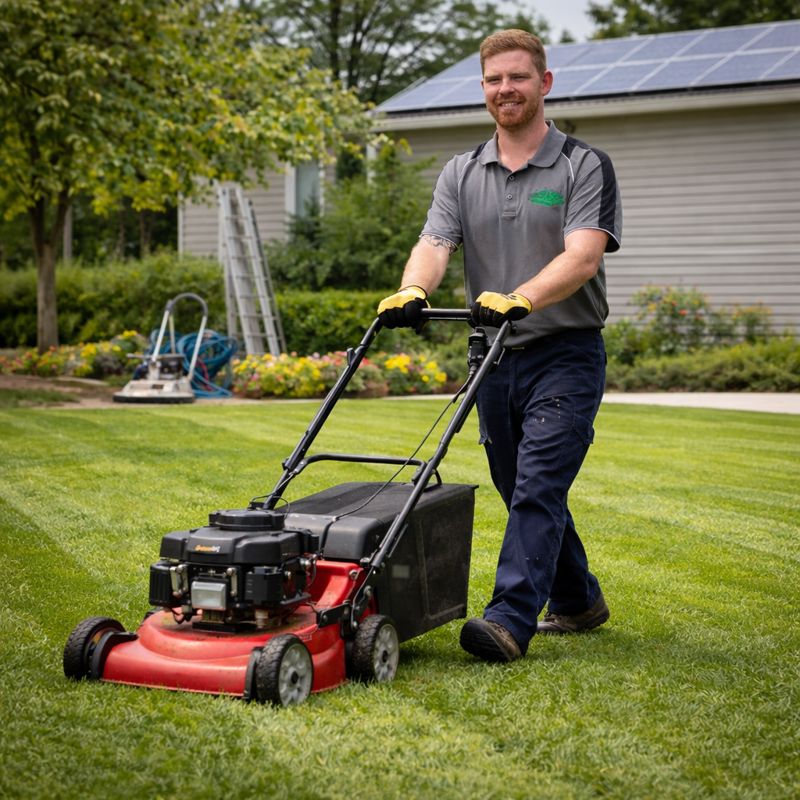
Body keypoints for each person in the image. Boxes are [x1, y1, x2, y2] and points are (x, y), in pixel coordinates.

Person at [377, 29, 622, 663]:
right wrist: (411, 289)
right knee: (522, 487)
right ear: (483, 89)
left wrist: (522, 296)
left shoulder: (581, 165)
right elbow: (435, 245)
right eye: (493, 80)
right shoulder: (462, 171)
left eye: (517, 77)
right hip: (493, 356)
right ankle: (578, 599)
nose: (504, 89)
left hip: (565, 351)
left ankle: (509, 618)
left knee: (539, 484)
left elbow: (583, 256)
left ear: (544, 83)